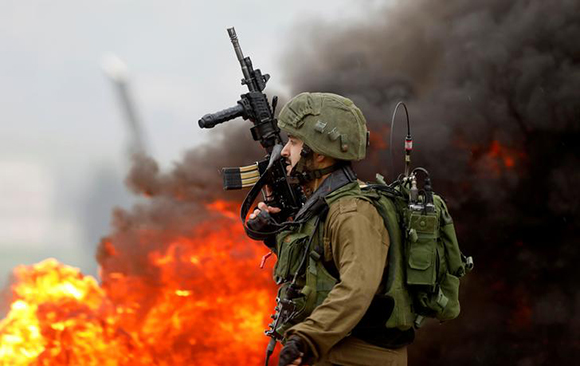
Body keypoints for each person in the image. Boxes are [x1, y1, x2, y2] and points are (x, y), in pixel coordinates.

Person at [249, 92, 413, 366]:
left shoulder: (352, 212)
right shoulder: (325, 203)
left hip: (357, 356)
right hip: (333, 351)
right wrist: (273, 235)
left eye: (294, 141)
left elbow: (357, 288)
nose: (286, 151)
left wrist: (307, 339)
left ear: (321, 155)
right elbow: (317, 269)